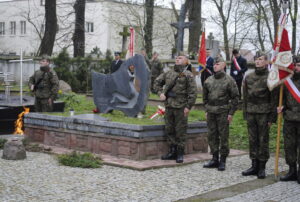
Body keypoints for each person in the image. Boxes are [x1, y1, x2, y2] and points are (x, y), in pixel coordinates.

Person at [154, 54, 197, 163]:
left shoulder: (188, 75)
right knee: (169, 129)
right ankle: (172, 151)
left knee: (180, 130)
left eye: (181, 58)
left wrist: (188, 106)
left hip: (181, 106)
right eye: (177, 58)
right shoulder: (168, 72)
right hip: (169, 105)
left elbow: (193, 92)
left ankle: (180, 153)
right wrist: (160, 93)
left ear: (186, 61)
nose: (178, 59)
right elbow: (156, 83)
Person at [242, 53, 277, 179]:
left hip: (264, 113)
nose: (257, 61)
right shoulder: (249, 76)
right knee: (252, 139)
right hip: (251, 112)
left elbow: (274, 98)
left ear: (267, 62)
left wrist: (272, 117)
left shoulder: (271, 77)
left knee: (263, 140)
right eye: (256, 59)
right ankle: (254, 165)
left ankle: (262, 167)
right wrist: (245, 112)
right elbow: (245, 96)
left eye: (261, 59)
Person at [202, 57, 239, 171]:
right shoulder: (208, 80)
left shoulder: (229, 80)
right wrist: (206, 110)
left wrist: (231, 113)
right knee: (212, 135)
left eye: (217, 64)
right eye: (214, 64)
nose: (215, 66)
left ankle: (222, 160)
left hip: (223, 111)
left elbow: (235, 97)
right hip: (211, 112)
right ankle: (214, 158)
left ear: (223, 65)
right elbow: (205, 98)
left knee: (223, 136)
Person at [277, 55, 300, 183]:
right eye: (294, 65)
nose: (296, 68)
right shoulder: (287, 82)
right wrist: (282, 107)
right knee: (289, 146)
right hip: (290, 119)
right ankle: (292, 170)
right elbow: (284, 100)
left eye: (298, 65)